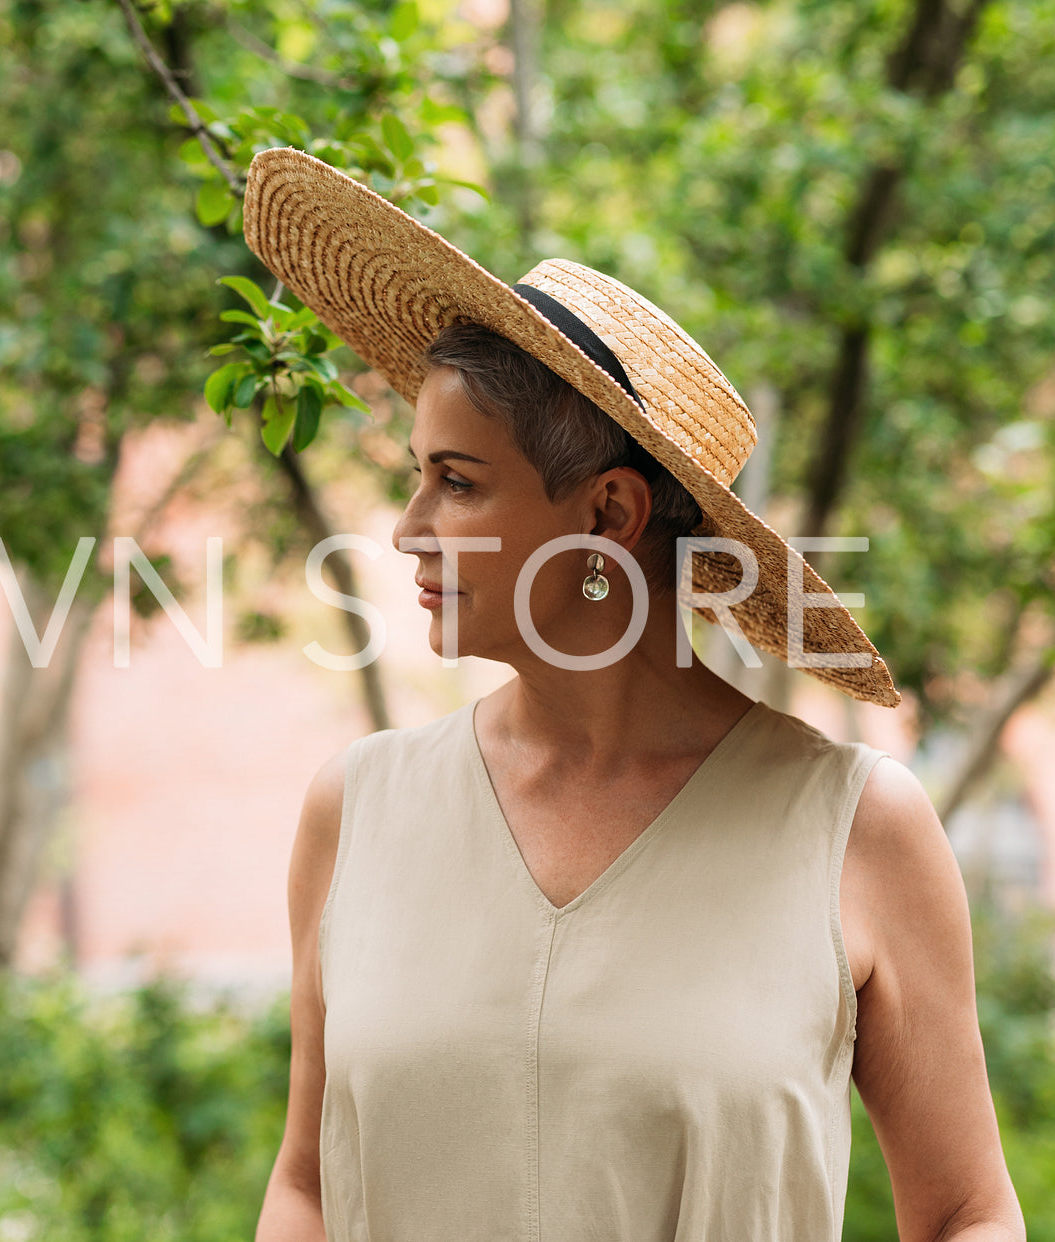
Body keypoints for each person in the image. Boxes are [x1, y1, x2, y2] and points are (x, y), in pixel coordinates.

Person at [243, 149, 1024, 1242]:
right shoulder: (357, 811)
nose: (406, 528)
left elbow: (965, 1214)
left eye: (455, 482)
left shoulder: (852, 829)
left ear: (606, 515)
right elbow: (308, 1187)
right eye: (414, 475)